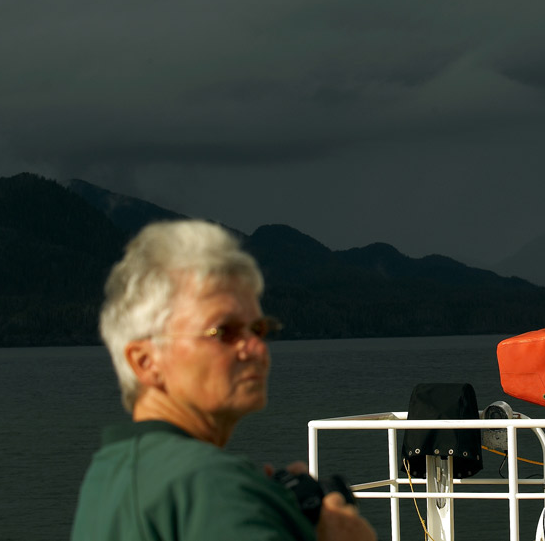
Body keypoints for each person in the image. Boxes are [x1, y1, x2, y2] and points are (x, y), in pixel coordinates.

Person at [71, 220, 376, 541]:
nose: (256, 348)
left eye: (258, 329)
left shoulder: (110, 473)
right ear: (146, 362)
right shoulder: (210, 485)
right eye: (224, 332)